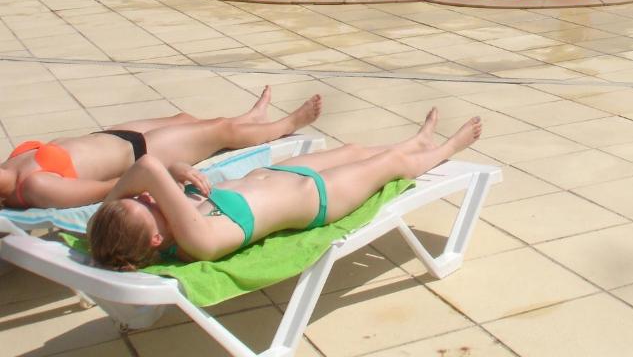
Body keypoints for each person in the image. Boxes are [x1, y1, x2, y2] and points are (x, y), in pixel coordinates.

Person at [87, 110, 482, 268]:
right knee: (389, 166)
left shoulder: (174, 218)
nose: (142, 195)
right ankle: (447, 147)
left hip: (278, 175)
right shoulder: (198, 238)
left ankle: (416, 140)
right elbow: (146, 166)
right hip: (318, 198)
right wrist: (115, 205)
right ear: (156, 238)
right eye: (141, 204)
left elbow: (158, 172)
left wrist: (180, 170)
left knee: (354, 150)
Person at [0, 88, 321, 210]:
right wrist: (161, 174)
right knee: (220, 131)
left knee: (187, 119)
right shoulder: (36, 186)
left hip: (115, 134)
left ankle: (249, 119)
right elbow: (107, 188)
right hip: (140, 152)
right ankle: (287, 124)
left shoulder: (9, 166)